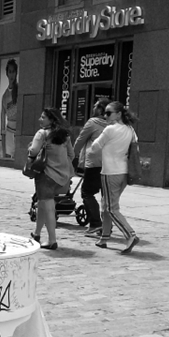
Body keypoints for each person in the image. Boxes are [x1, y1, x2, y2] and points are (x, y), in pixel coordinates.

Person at [91, 101, 140, 254]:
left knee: (111, 208)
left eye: (108, 113)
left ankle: (130, 234)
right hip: (124, 172)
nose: (105, 116)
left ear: (118, 114)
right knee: (107, 205)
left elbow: (94, 148)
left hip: (110, 172)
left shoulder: (110, 130)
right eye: (104, 113)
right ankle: (104, 238)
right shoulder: (130, 129)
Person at [27, 107, 74, 251]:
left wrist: (30, 147)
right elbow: (71, 155)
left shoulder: (42, 134)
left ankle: (52, 240)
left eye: (43, 117)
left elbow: (33, 151)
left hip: (46, 175)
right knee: (42, 203)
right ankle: (37, 233)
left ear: (51, 119)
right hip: (61, 177)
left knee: (48, 207)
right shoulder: (64, 135)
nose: (40, 119)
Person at [72, 98, 109, 236]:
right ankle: (106, 227)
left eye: (95, 106)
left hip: (94, 163)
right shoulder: (114, 125)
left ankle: (95, 224)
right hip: (111, 164)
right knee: (107, 197)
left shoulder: (92, 122)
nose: (93, 108)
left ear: (100, 109)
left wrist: (72, 156)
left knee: (87, 192)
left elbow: (80, 140)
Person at [0, 59, 19, 158]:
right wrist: (2, 132)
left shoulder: (20, 90)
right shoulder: (5, 95)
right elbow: (3, 115)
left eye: (13, 71)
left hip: (19, 130)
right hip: (9, 131)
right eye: (10, 72)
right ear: (7, 73)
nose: (12, 75)